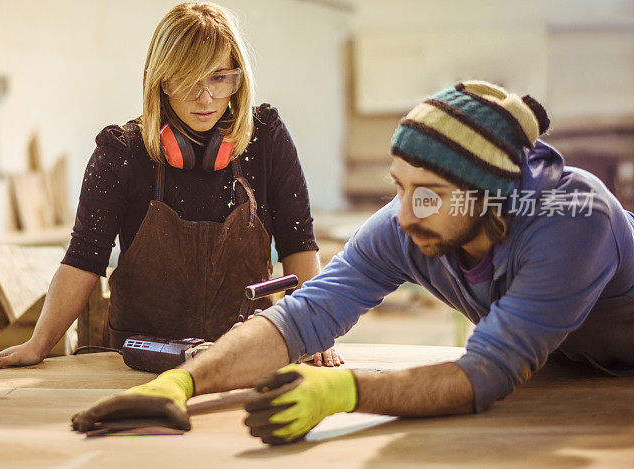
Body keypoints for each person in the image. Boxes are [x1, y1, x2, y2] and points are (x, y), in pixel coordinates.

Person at [71, 80, 634, 444]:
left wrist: (346, 393)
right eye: (401, 187)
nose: (407, 215)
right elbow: (302, 316)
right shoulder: (408, 222)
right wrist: (181, 383)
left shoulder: (573, 216)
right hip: (569, 366)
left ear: (490, 195)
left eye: (429, 193)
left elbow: (487, 372)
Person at [0, 1, 342, 370]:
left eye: (220, 78)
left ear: (240, 78)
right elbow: (82, 260)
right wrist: (39, 344)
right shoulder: (121, 153)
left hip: (246, 354)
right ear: (160, 80)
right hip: (142, 361)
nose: (205, 98)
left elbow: (298, 243)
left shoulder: (265, 139)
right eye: (188, 80)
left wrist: (313, 328)